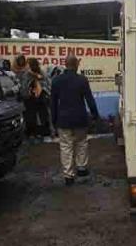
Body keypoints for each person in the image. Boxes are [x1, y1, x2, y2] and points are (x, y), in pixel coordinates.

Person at [51, 55, 99, 186]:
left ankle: (68, 176)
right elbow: (90, 100)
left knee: (66, 147)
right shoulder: (82, 80)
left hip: (63, 119)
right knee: (81, 143)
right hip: (80, 118)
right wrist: (95, 115)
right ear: (76, 64)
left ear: (65, 64)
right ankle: (82, 168)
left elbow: (53, 103)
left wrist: (53, 121)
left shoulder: (56, 80)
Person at [21, 58, 51, 142]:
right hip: (30, 99)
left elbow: (48, 84)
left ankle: (43, 134)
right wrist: (29, 90)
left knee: (43, 117)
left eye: (34, 65)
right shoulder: (26, 74)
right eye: (31, 65)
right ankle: (31, 134)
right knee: (30, 118)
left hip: (41, 98)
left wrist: (41, 86)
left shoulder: (42, 73)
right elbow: (23, 88)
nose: (33, 67)